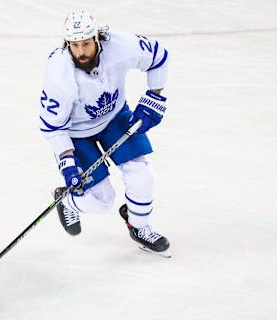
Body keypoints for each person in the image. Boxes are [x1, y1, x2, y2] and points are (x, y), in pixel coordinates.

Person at [39, 9, 170, 254]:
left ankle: (139, 226)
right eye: (74, 45)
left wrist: (155, 96)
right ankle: (66, 201)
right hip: (76, 135)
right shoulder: (59, 75)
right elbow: (53, 127)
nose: (80, 52)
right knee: (101, 202)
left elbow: (158, 56)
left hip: (114, 117)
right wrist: (67, 163)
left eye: (86, 44)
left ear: (97, 37)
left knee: (142, 176)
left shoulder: (121, 45)